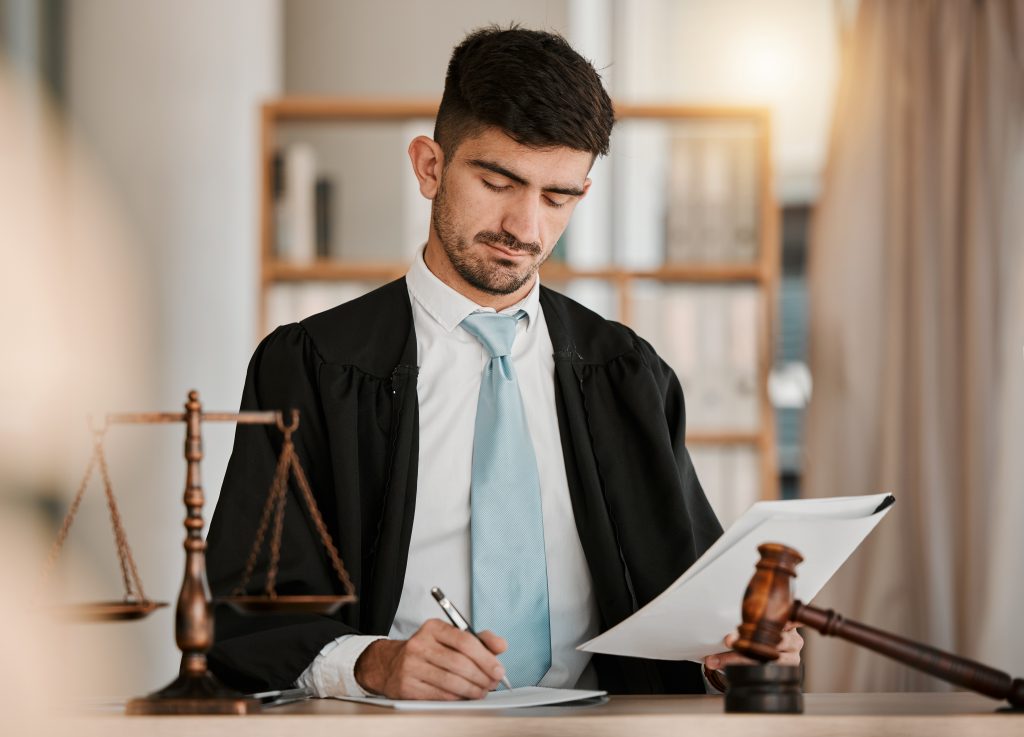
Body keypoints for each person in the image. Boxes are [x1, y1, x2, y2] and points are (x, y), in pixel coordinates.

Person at [206, 25, 802, 701]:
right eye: (498, 181)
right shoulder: (313, 365)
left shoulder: (628, 375)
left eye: (558, 197)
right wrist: (373, 661)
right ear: (430, 166)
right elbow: (250, 608)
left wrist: (733, 644)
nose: (526, 228)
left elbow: (688, 600)